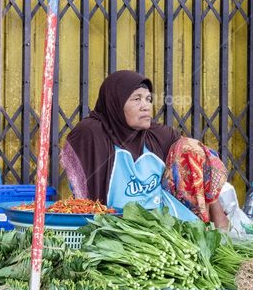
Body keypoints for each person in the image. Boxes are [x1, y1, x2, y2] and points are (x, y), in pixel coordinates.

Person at [62, 70, 229, 228]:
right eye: (136, 99)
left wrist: (218, 216)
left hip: (162, 220)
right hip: (117, 226)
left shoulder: (157, 135)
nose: (146, 106)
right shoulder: (93, 132)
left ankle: (212, 227)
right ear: (115, 103)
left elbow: (202, 158)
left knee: (191, 148)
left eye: (149, 99)